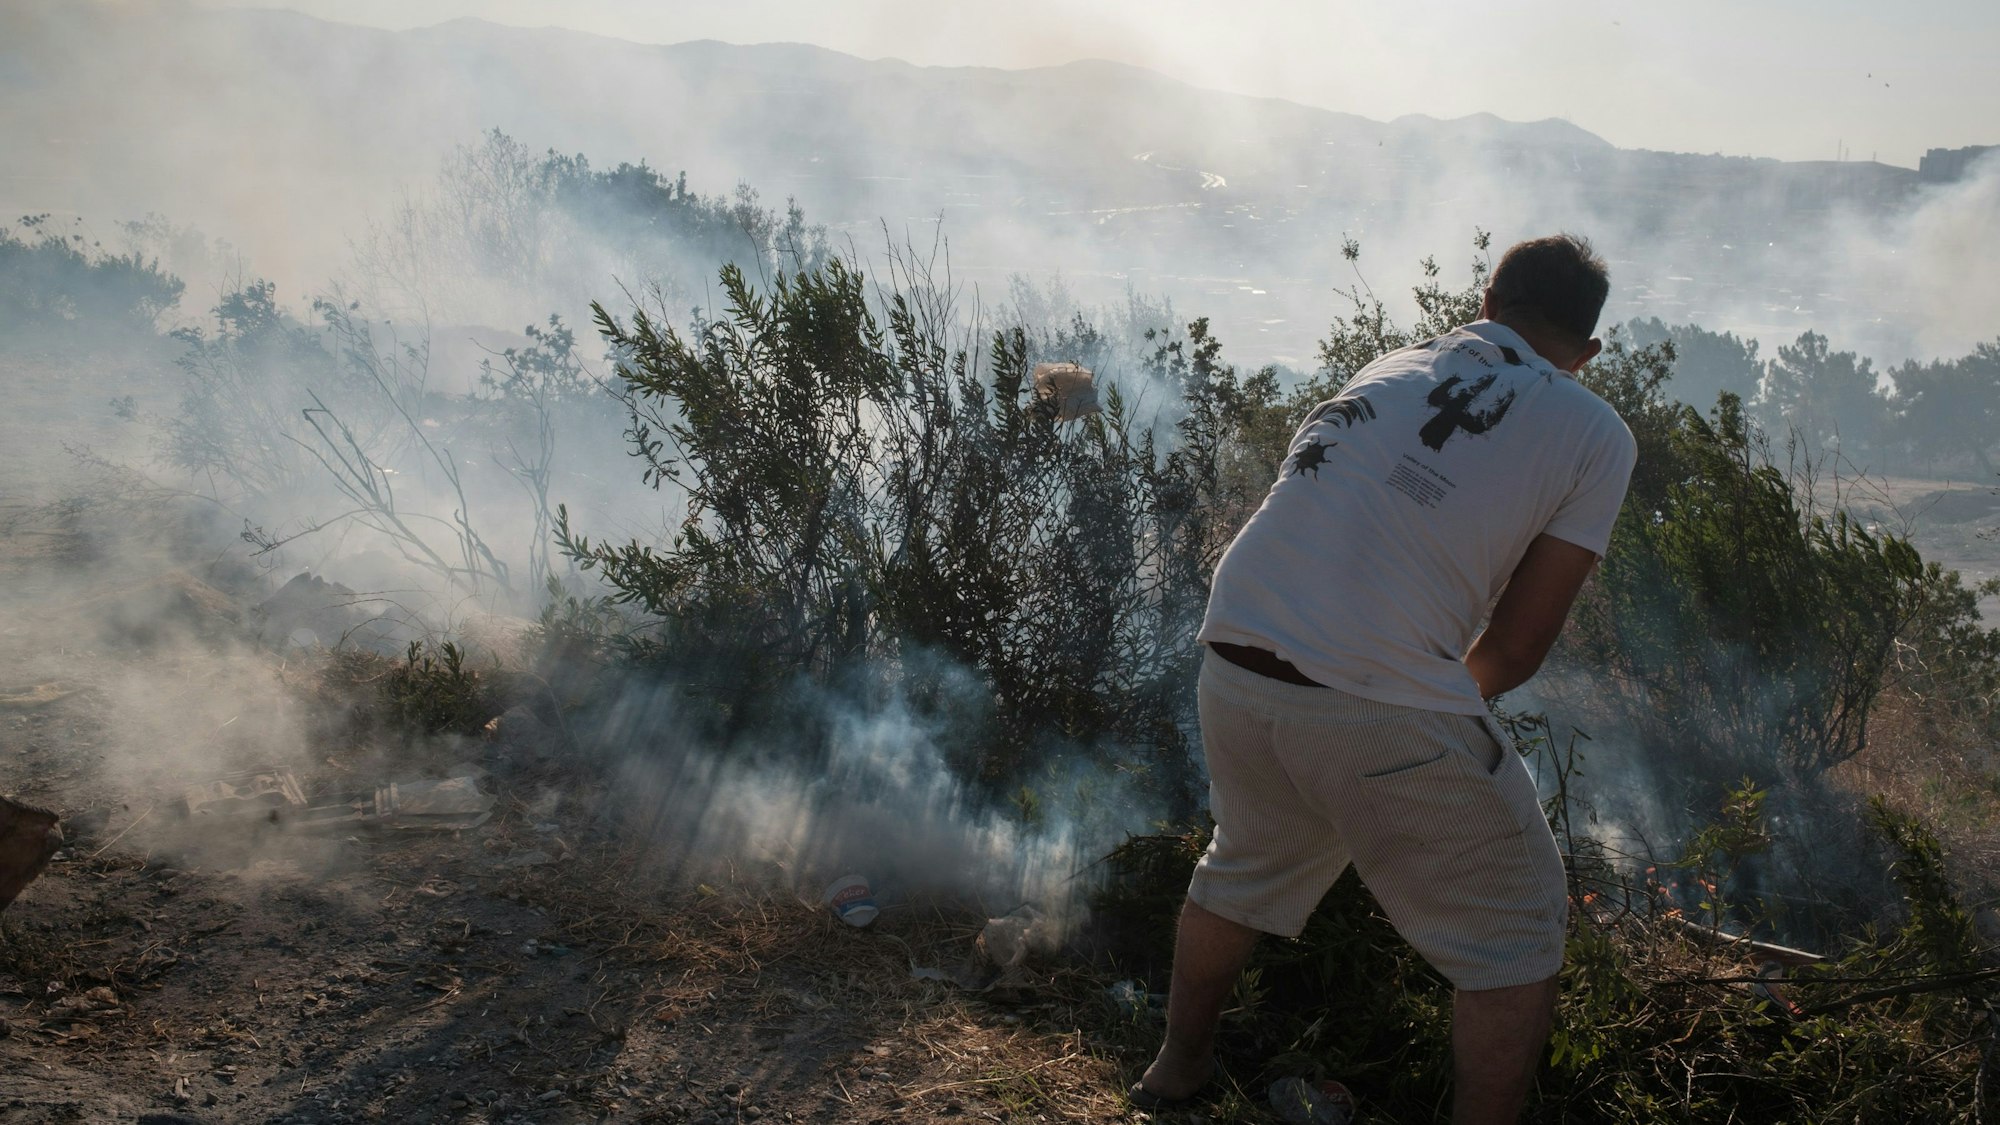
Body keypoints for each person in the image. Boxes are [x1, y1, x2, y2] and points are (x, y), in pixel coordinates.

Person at [1133, 234, 1637, 1125]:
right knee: (1518, 929)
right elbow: (1518, 645)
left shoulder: (1394, 363)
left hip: (1234, 651)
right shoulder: (1596, 432)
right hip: (1368, 690)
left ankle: (1176, 1068)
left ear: (1489, 303)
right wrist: (1415, 728)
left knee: (1244, 863)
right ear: (1587, 353)